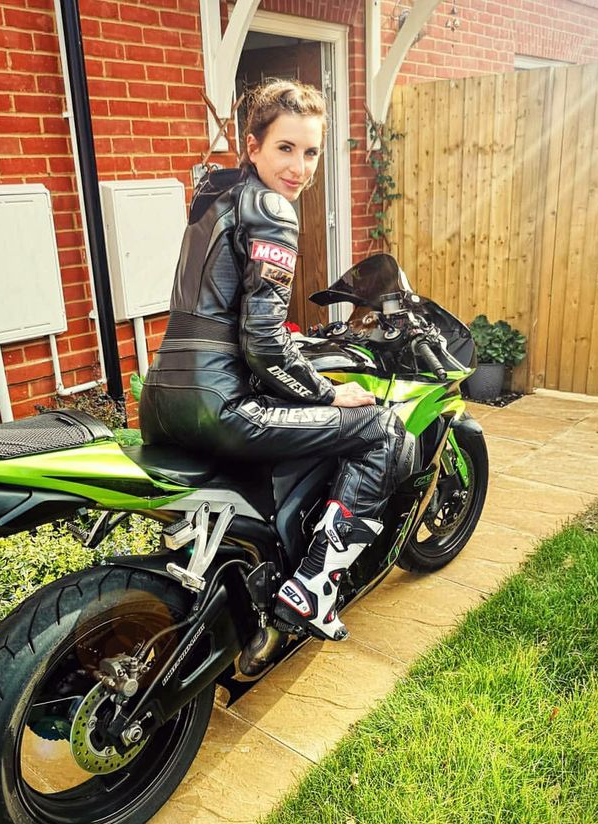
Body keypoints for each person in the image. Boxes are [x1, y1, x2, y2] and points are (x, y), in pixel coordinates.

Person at [139, 80, 412, 645]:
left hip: (160, 398)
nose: (299, 167)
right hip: (217, 406)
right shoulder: (272, 210)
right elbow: (263, 342)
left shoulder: (212, 194)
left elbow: (229, 315)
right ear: (254, 145)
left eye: (311, 152)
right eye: (285, 148)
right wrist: (327, 391)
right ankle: (314, 584)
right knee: (381, 427)